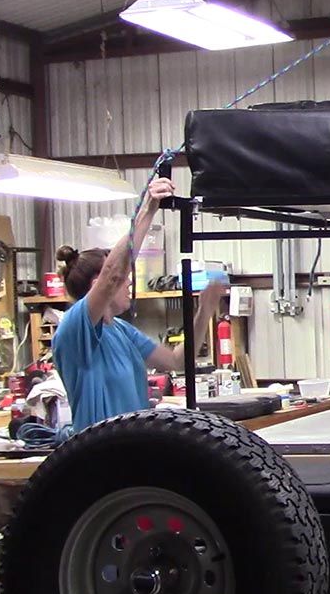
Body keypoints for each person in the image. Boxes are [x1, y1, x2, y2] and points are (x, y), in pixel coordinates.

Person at [54, 176, 224, 432]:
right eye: (124, 277)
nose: (128, 281)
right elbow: (114, 273)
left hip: (129, 450)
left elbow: (176, 361)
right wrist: (148, 209)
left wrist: (204, 312)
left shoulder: (121, 331)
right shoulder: (75, 328)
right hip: (95, 457)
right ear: (96, 284)